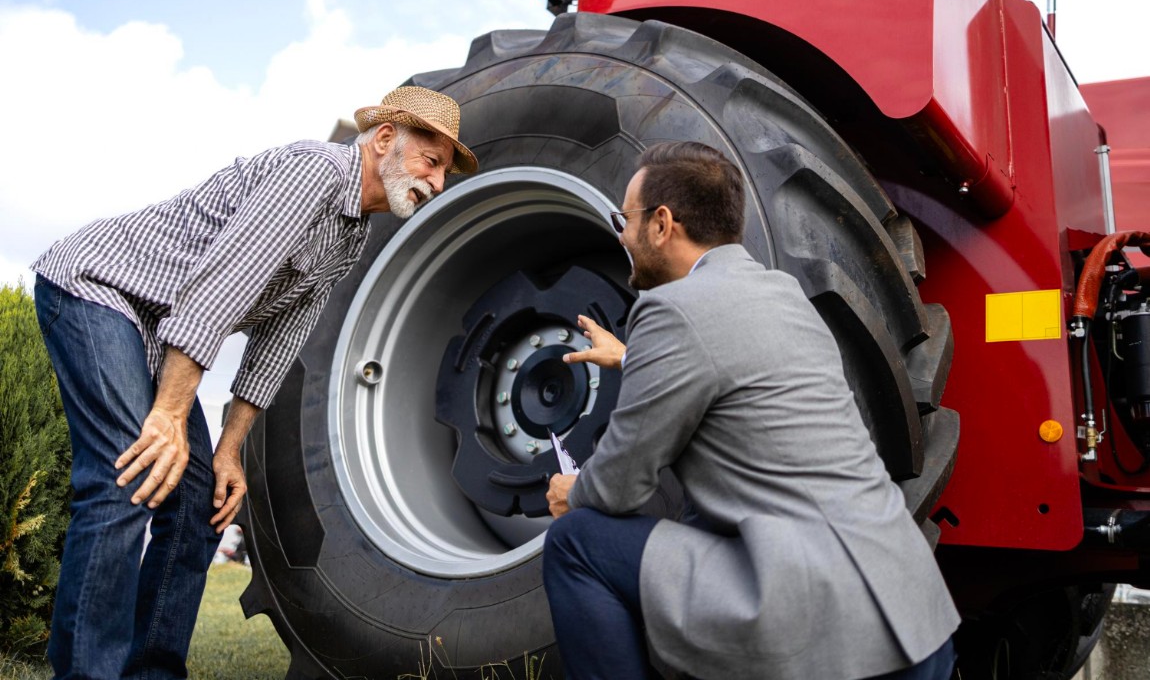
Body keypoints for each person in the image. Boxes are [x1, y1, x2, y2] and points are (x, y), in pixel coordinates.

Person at [32, 86, 477, 680]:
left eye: (444, 170)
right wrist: (167, 415)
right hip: (99, 291)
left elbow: (279, 342)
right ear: (386, 139)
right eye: (431, 160)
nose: (437, 181)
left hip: (158, 327)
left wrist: (228, 451)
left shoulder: (350, 232)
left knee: (197, 501)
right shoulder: (312, 172)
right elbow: (219, 290)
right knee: (130, 477)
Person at [543, 141, 959, 680]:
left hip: (821, 628)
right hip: (914, 614)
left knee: (576, 542)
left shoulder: (667, 309)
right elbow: (739, 378)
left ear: (662, 223)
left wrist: (571, 491)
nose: (621, 234)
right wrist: (631, 359)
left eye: (627, 218)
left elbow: (620, 485)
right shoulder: (782, 295)